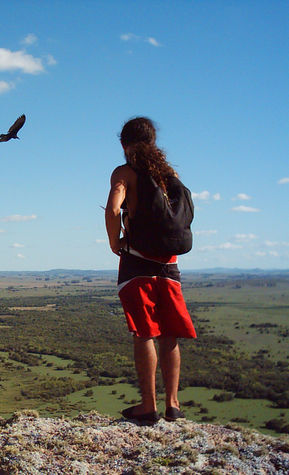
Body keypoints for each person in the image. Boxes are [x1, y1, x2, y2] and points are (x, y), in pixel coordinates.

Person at [105, 117, 197, 424]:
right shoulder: (169, 175)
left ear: (124, 145)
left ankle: (148, 406)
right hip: (169, 264)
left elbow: (114, 208)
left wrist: (114, 240)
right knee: (169, 333)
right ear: (154, 142)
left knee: (144, 331)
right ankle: (173, 404)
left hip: (137, 263)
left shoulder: (124, 173)